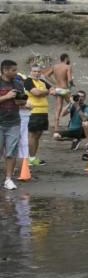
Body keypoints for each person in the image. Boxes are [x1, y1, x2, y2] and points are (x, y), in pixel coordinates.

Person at [0, 60, 26, 191]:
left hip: (14, 122)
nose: (16, 73)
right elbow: (6, 98)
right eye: (13, 70)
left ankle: (8, 179)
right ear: (5, 70)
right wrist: (6, 96)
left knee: (11, 152)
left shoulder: (18, 83)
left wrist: (21, 100)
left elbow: (21, 102)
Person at [24, 63, 54, 167]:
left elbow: (52, 89)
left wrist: (46, 91)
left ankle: (33, 157)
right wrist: (46, 91)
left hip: (43, 112)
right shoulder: (28, 81)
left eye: (39, 72)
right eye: (35, 71)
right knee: (33, 135)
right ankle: (29, 158)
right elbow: (36, 93)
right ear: (30, 72)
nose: (37, 73)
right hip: (34, 112)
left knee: (38, 135)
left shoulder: (41, 81)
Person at [45, 53, 74, 131]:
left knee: (58, 108)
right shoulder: (68, 67)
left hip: (57, 89)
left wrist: (55, 82)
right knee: (73, 104)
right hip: (65, 89)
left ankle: (56, 128)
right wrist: (72, 84)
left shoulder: (55, 66)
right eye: (68, 58)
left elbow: (46, 75)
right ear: (66, 58)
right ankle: (71, 122)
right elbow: (70, 79)